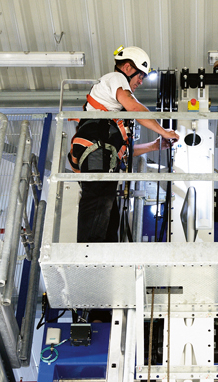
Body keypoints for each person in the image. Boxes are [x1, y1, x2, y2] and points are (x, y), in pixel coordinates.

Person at [68, 46, 179, 242]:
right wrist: (164, 131)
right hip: (96, 152)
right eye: (140, 75)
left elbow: (123, 152)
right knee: (98, 202)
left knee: (109, 214)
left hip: (103, 155)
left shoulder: (112, 114)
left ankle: (103, 260)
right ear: (128, 67)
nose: (140, 81)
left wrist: (154, 145)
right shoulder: (116, 78)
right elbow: (135, 108)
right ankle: (88, 257)